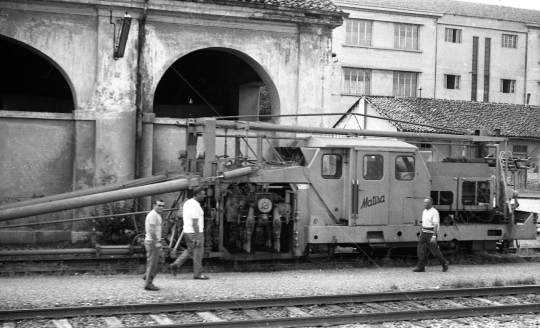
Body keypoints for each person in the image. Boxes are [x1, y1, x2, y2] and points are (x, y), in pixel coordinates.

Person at [170, 188, 210, 280]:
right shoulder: (195, 206)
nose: (204, 196)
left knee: (190, 250)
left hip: (187, 231)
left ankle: (175, 265)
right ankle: (198, 274)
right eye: (203, 194)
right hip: (195, 232)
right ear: (197, 194)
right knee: (198, 253)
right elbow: (195, 223)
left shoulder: (188, 203)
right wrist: (197, 238)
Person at [413, 197, 449, 273]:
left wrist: (434, 236)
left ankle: (444, 263)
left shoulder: (434, 212)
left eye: (425, 202)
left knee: (435, 251)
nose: (424, 204)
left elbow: (436, 225)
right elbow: (423, 223)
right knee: (420, 250)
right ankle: (421, 267)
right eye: (423, 202)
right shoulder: (424, 211)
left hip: (430, 234)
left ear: (430, 204)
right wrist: (421, 232)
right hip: (423, 233)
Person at [143, 199, 166, 291]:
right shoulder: (153, 215)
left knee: (161, 260)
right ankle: (148, 284)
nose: (161, 207)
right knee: (153, 264)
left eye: (163, 206)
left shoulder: (156, 215)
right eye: (159, 205)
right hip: (152, 242)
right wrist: (156, 242)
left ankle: (147, 276)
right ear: (154, 205)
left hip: (154, 241)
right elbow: (151, 229)